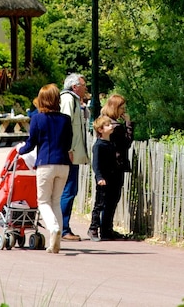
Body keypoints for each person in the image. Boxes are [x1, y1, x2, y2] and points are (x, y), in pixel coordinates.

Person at [18, 84, 73, 254]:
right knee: (56, 201)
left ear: (41, 100)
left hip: (45, 163)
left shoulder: (37, 119)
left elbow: (31, 143)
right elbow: (69, 142)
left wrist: (20, 150)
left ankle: (53, 228)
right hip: (63, 165)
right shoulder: (65, 119)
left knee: (43, 202)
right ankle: (54, 243)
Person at [59, 73, 91, 241]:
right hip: (70, 154)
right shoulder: (68, 100)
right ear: (74, 87)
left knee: (70, 190)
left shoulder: (76, 101)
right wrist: (69, 149)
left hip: (73, 154)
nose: (85, 88)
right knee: (68, 191)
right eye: (83, 85)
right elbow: (65, 124)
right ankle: (63, 229)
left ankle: (63, 228)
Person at [88, 115, 122, 242]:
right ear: (100, 130)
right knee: (100, 204)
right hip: (103, 179)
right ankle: (93, 228)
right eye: (107, 125)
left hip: (113, 178)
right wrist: (99, 177)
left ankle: (106, 229)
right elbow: (96, 164)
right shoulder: (99, 146)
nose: (111, 126)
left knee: (111, 203)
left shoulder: (111, 143)